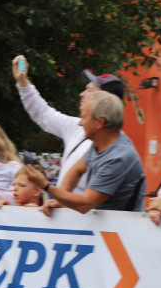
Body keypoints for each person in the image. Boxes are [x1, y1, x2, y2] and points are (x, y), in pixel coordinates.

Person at [13, 56, 126, 193]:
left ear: (105, 100)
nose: (81, 94)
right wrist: (23, 83)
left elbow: (89, 202)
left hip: (84, 211)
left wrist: (48, 187)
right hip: (67, 210)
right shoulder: (76, 126)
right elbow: (43, 114)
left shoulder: (119, 148)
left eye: (89, 90)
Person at [24, 91, 145, 215]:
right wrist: (60, 200)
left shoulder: (118, 158)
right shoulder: (102, 143)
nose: (80, 123)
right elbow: (76, 170)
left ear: (100, 122)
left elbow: (85, 204)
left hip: (121, 230)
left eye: (84, 117)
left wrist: (45, 185)